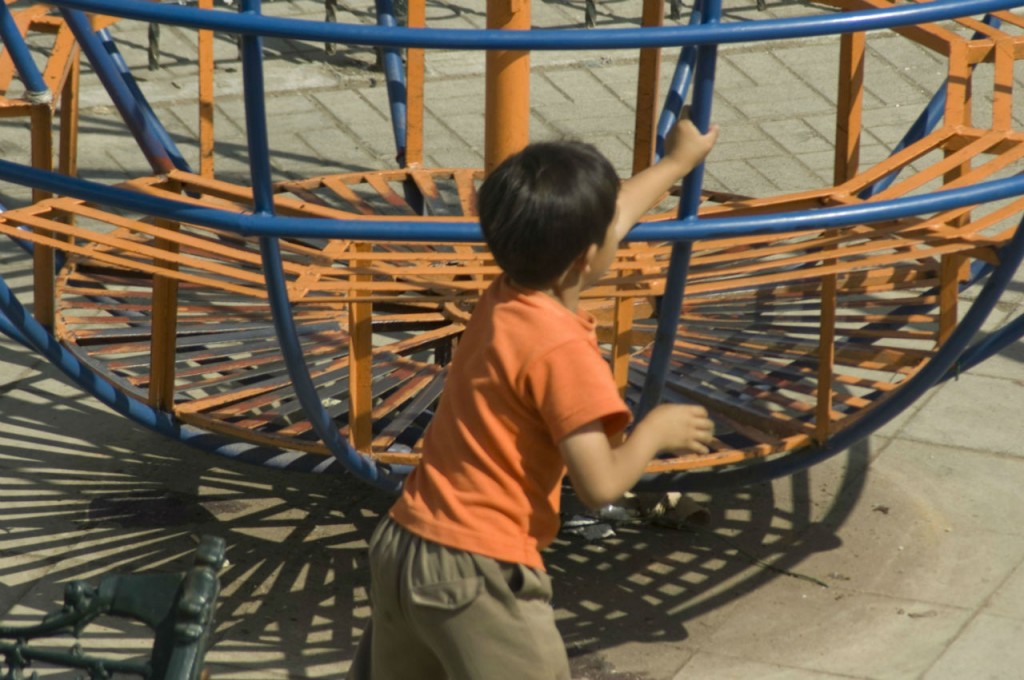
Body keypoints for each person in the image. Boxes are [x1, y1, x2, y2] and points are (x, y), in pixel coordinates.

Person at [349, 117, 719, 680]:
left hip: (404, 545)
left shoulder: (503, 296)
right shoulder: (563, 354)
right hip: (476, 573)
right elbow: (598, 487)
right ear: (587, 258)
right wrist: (654, 433)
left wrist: (677, 163)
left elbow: (612, 215)